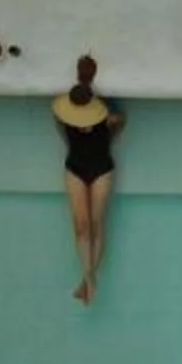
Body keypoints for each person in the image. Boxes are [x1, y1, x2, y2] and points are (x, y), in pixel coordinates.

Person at [53, 55, 128, 303]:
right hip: (75, 166)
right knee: (81, 226)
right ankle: (89, 279)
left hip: (101, 168)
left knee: (96, 223)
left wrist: (108, 131)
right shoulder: (65, 109)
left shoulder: (106, 111)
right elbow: (60, 127)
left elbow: (121, 122)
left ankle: (88, 280)